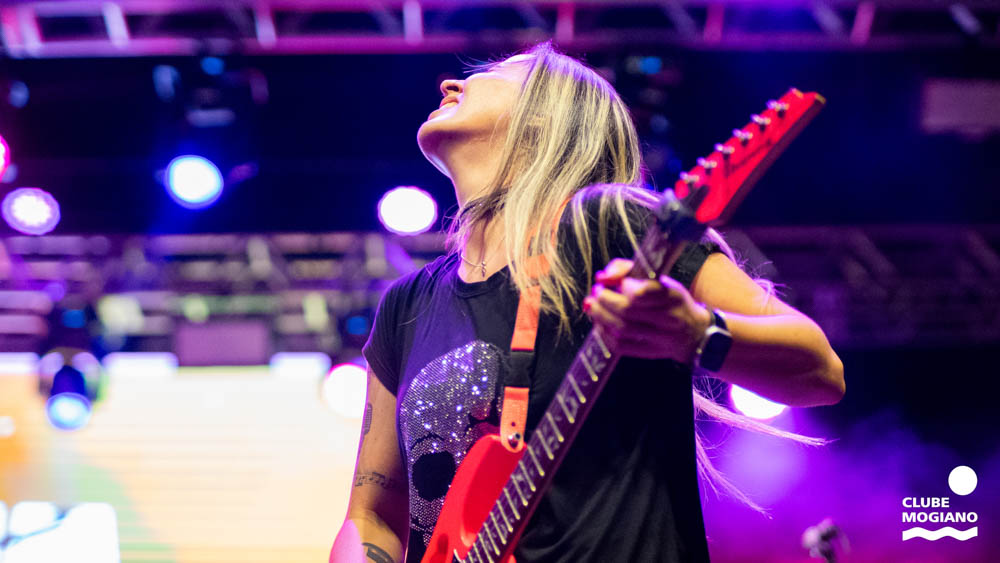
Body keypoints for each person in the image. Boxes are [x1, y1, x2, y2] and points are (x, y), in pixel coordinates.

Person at [330, 41, 845, 563]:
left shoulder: (606, 224)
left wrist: (695, 333)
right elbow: (372, 516)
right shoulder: (406, 305)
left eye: (496, 73)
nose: (450, 83)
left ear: (544, 115)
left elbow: (821, 369)